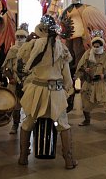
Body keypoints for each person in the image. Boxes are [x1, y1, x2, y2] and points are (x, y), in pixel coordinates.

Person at [18, 15, 77, 169]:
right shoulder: (61, 47)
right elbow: (67, 75)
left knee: (28, 122)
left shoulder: (32, 45)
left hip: (36, 90)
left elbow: (23, 60)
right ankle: (69, 160)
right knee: (62, 124)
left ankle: (23, 156)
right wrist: (69, 90)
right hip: (55, 92)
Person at [76, 32, 106, 132]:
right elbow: (80, 67)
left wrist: (104, 75)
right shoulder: (87, 54)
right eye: (94, 46)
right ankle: (87, 119)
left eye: (98, 46)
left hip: (101, 83)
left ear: (102, 46)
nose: (96, 48)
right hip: (89, 83)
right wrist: (85, 70)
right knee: (85, 102)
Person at [1, 24, 29, 134]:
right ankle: (15, 125)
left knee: (29, 105)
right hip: (14, 81)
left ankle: (29, 125)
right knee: (15, 106)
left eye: (22, 37)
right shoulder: (12, 50)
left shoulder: (30, 49)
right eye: (18, 37)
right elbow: (6, 66)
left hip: (27, 81)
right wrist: (10, 77)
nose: (20, 39)